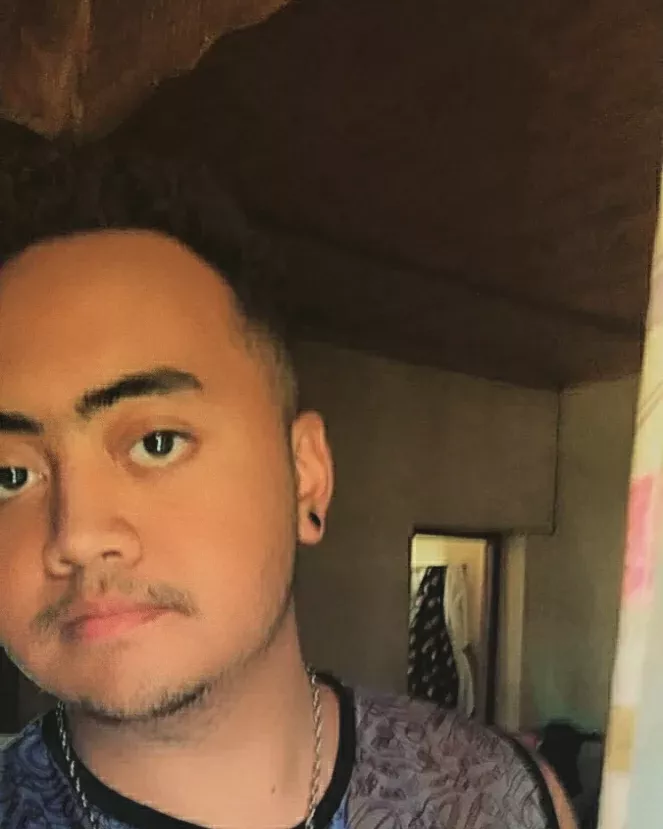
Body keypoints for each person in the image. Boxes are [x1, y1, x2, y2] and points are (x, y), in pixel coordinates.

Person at [0, 143, 577, 829]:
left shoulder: (496, 794)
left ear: (306, 476)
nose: (76, 534)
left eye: (156, 442)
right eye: (10, 475)